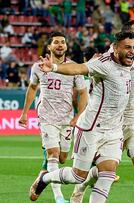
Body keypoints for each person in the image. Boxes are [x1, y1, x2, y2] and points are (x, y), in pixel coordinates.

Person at [29, 31, 134, 203]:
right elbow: (79, 68)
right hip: (91, 129)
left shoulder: (129, 64)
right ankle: (45, 178)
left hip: (114, 131)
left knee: (107, 175)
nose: (133, 51)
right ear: (115, 48)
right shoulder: (103, 64)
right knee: (77, 176)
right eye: (128, 47)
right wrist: (55, 68)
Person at [70, 21, 134, 203]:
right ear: (126, 35)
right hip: (114, 122)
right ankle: (81, 186)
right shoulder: (111, 57)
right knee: (103, 171)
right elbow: (94, 79)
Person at [19, 32, 88, 203]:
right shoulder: (38, 67)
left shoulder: (74, 68)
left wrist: (78, 116)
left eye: (63, 42)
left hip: (67, 118)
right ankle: (59, 198)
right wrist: (25, 112)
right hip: (47, 116)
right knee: (53, 154)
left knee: (63, 158)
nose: (60, 45)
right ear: (49, 46)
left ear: (66, 46)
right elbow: (32, 88)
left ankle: (43, 175)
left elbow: (82, 93)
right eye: (56, 42)